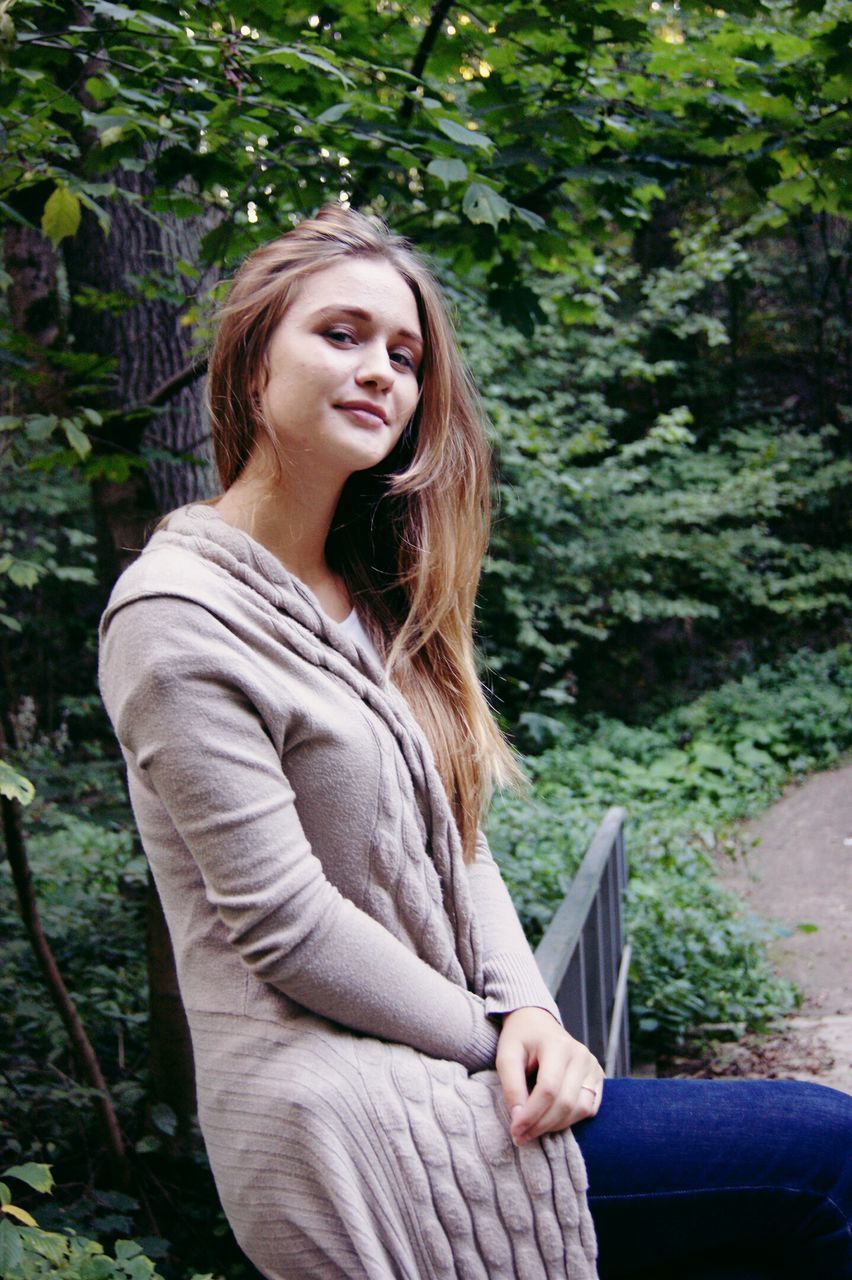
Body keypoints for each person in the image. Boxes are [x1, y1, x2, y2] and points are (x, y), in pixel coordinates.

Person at [99, 205, 852, 1280]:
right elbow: (288, 925)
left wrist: (534, 1009)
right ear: (254, 365)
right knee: (823, 1152)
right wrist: (490, 1035)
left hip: (454, 1066)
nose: (381, 374)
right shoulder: (176, 615)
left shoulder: (370, 598)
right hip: (341, 1114)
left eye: (404, 355)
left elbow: (463, 844)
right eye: (342, 335)